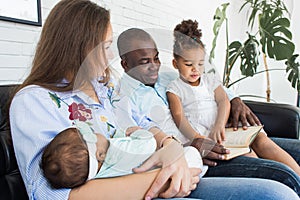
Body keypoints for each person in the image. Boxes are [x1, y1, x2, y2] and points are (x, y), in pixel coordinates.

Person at [7, 0, 299, 199]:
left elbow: (145, 124)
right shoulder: (34, 102)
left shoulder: (106, 88)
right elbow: (53, 195)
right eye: (107, 46)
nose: (111, 55)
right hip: (156, 185)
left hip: (174, 169)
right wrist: (167, 174)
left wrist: (170, 148)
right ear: (78, 47)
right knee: (278, 192)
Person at [115, 27, 300, 196]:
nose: (154, 66)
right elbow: (140, 140)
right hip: (198, 156)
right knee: (282, 175)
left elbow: (211, 87)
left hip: (215, 137)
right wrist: (191, 144)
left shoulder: (168, 77)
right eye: (145, 62)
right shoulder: (123, 98)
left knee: (269, 142)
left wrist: (235, 101)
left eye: (156, 58)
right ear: (125, 64)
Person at [166, 19, 300, 175]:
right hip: (206, 136)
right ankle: (276, 181)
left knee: (263, 142)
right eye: (189, 65)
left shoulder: (210, 81)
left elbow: (224, 101)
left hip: (224, 129)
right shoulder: (175, 88)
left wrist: (219, 125)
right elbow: (178, 116)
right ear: (175, 64)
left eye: (200, 64)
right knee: (250, 157)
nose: (195, 70)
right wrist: (197, 138)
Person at [41, 122, 204, 189]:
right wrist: (138, 132)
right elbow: (147, 145)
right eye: (92, 133)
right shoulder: (115, 150)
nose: (97, 131)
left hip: (150, 184)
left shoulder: (97, 177)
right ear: (100, 154)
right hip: (168, 171)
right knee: (190, 152)